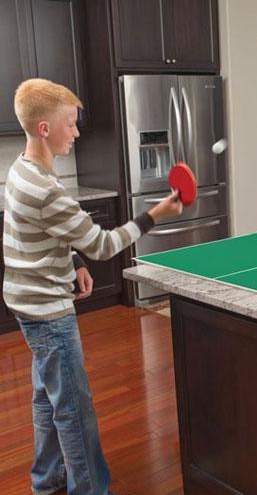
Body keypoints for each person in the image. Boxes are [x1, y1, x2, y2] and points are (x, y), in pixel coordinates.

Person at [3, 78, 183, 495]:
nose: (77, 132)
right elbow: (103, 245)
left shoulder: (21, 168)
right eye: (70, 123)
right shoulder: (47, 189)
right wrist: (153, 214)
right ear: (45, 128)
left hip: (25, 302)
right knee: (74, 408)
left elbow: (42, 233)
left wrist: (73, 260)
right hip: (48, 312)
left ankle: (47, 480)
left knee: (46, 397)